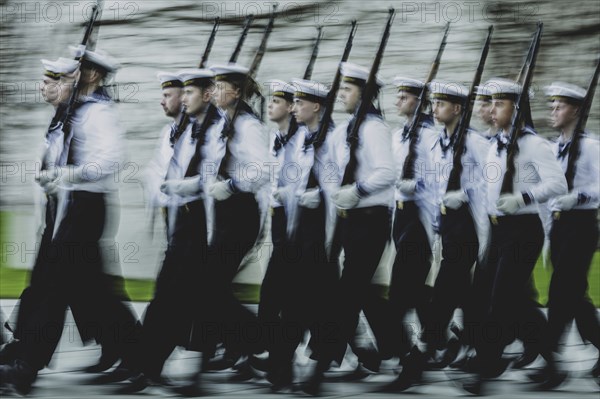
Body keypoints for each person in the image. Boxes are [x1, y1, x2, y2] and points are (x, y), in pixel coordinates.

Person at [0, 49, 142, 395]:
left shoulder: (99, 113)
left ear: (91, 76)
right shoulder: (71, 113)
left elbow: (111, 159)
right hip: (63, 208)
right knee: (89, 290)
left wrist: (71, 174)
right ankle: (135, 350)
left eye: (74, 74)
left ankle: (27, 363)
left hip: (85, 206)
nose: (67, 79)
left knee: (53, 285)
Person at [463, 78, 568, 395]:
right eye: (491, 103)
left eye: (500, 104)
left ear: (516, 107)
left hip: (522, 231)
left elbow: (558, 186)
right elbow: (485, 190)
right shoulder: (495, 143)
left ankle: (486, 368)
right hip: (497, 230)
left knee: (499, 302)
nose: (492, 110)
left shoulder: (533, 144)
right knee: (496, 300)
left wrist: (523, 197)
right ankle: (550, 361)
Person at [121, 68, 221, 394]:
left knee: (178, 298)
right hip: (177, 221)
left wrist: (179, 188)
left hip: (199, 225)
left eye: (171, 94)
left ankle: (148, 364)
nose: (164, 100)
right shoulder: (174, 132)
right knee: (175, 297)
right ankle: (146, 363)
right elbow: (157, 173)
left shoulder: (210, 130)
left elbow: (208, 178)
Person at [302, 62, 395, 396]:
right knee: (357, 293)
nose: (341, 94)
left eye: (348, 89)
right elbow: (330, 169)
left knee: (347, 295)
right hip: (346, 219)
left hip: (371, 219)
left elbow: (386, 171)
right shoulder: (344, 129)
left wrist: (358, 190)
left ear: (364, 93)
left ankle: (321, 364)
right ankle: (397, 348)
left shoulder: (373, 128)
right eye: (340, 89)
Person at [530, 81, 600, 388]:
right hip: (558, 227)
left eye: (560, 106)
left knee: (560, 294)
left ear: (576, 110)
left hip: (582, 226)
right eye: (552, 106)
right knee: (575, 297)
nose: (553, 111)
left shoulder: (592, 147)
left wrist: (580, 197)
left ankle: (552, 361)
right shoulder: (550, 148)